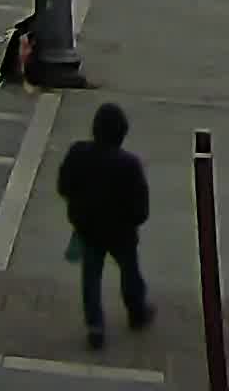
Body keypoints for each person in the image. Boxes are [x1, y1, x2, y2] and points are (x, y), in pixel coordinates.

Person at [56, 103, 155, 348]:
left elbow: (64, 186)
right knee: (129, 270)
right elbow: (141, 208)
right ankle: (136, 311)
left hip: (88, 227)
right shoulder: (130, 165)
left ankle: (95, 326)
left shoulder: (78, 153)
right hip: (121, 231)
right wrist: (131, 220)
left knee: (91, 276)